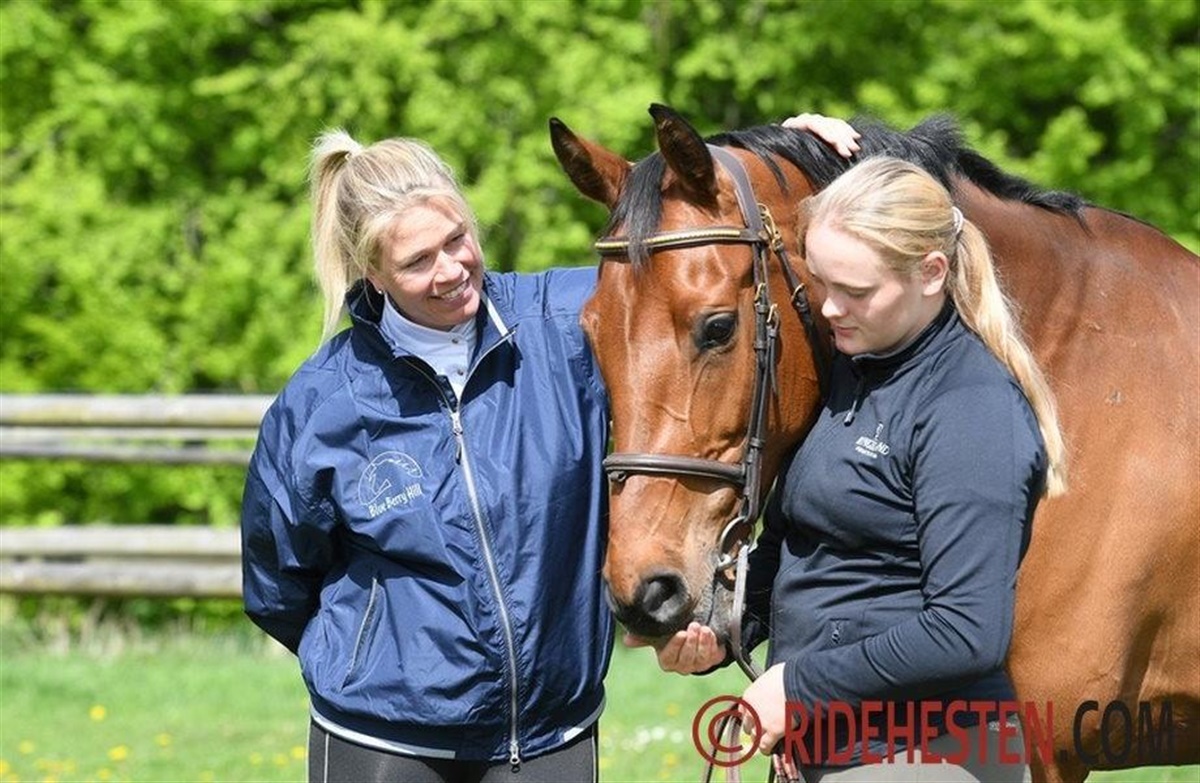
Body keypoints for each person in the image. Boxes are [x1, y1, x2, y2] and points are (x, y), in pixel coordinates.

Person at [240, 118, 863, 783]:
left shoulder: (569, 324)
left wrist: (782, 150)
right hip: (383, 741)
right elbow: (278, 584)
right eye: (418, 262)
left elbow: (692, 254)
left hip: (550, 734)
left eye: (457, 239)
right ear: (373, 272)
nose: (451, 270)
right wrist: (377, 661)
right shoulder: (322, 402)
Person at [642, 153, 1068, 783]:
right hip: (828, 751)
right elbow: (795, 547)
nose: (830, 309)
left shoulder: (970, 409)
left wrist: (800, 687)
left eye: (857, 292)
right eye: (822, 283)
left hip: (926, 756)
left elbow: (966, 632)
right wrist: (723, 632)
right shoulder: (851, 371)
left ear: (931, 273)